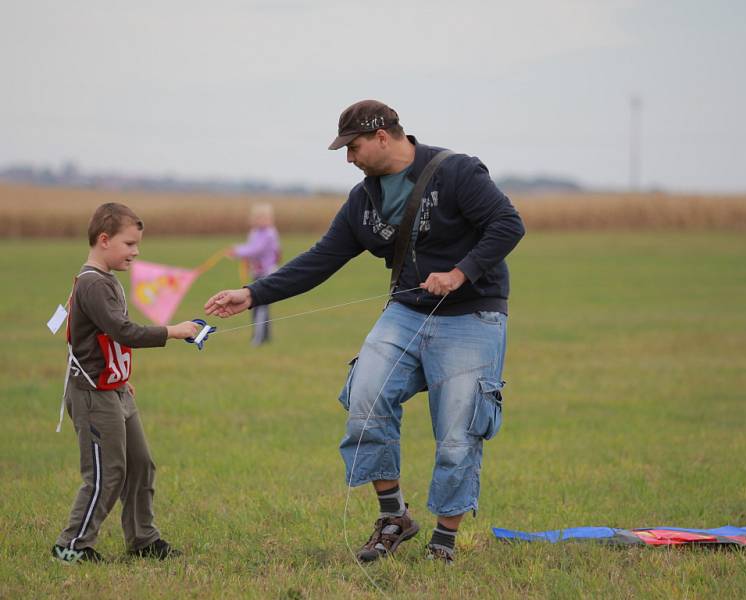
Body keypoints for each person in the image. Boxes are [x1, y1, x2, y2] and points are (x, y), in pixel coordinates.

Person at [205, 100, 525, 563]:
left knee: (458, 431)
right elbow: (321, 258)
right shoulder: (363, 200)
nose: (348, 158)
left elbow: (507, 224)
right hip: (406, 312)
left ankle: (445, 542)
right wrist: (253, 294)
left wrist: (460, 273)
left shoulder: (457, 172)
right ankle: (395, 516)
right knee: (364, 400)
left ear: (382, 137)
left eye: (352, 147)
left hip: (472, 315)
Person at [52, 202, 199, 564]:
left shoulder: (107, 280)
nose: (136, 252)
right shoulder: (92, 284)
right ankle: (71, 546)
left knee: (140, 464)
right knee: (106, 473)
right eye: (129, 244)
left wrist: (120, 379)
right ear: (104, 240)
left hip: (115, 390)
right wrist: (173, 331)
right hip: (92, 396)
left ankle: (143, 539)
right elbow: (124, 331)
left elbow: (105, 339)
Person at [228, 203, 281, 345]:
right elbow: (251, 248)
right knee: (255, 307)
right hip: (257, 273)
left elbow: (256, 249)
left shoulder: (270, 233)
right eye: (258, 217)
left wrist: (237, 251)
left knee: (261, 307)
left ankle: (258, 338)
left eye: (264, 217)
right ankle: (262, 336)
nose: (261, 220)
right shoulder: (254, 232)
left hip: (267, 274)